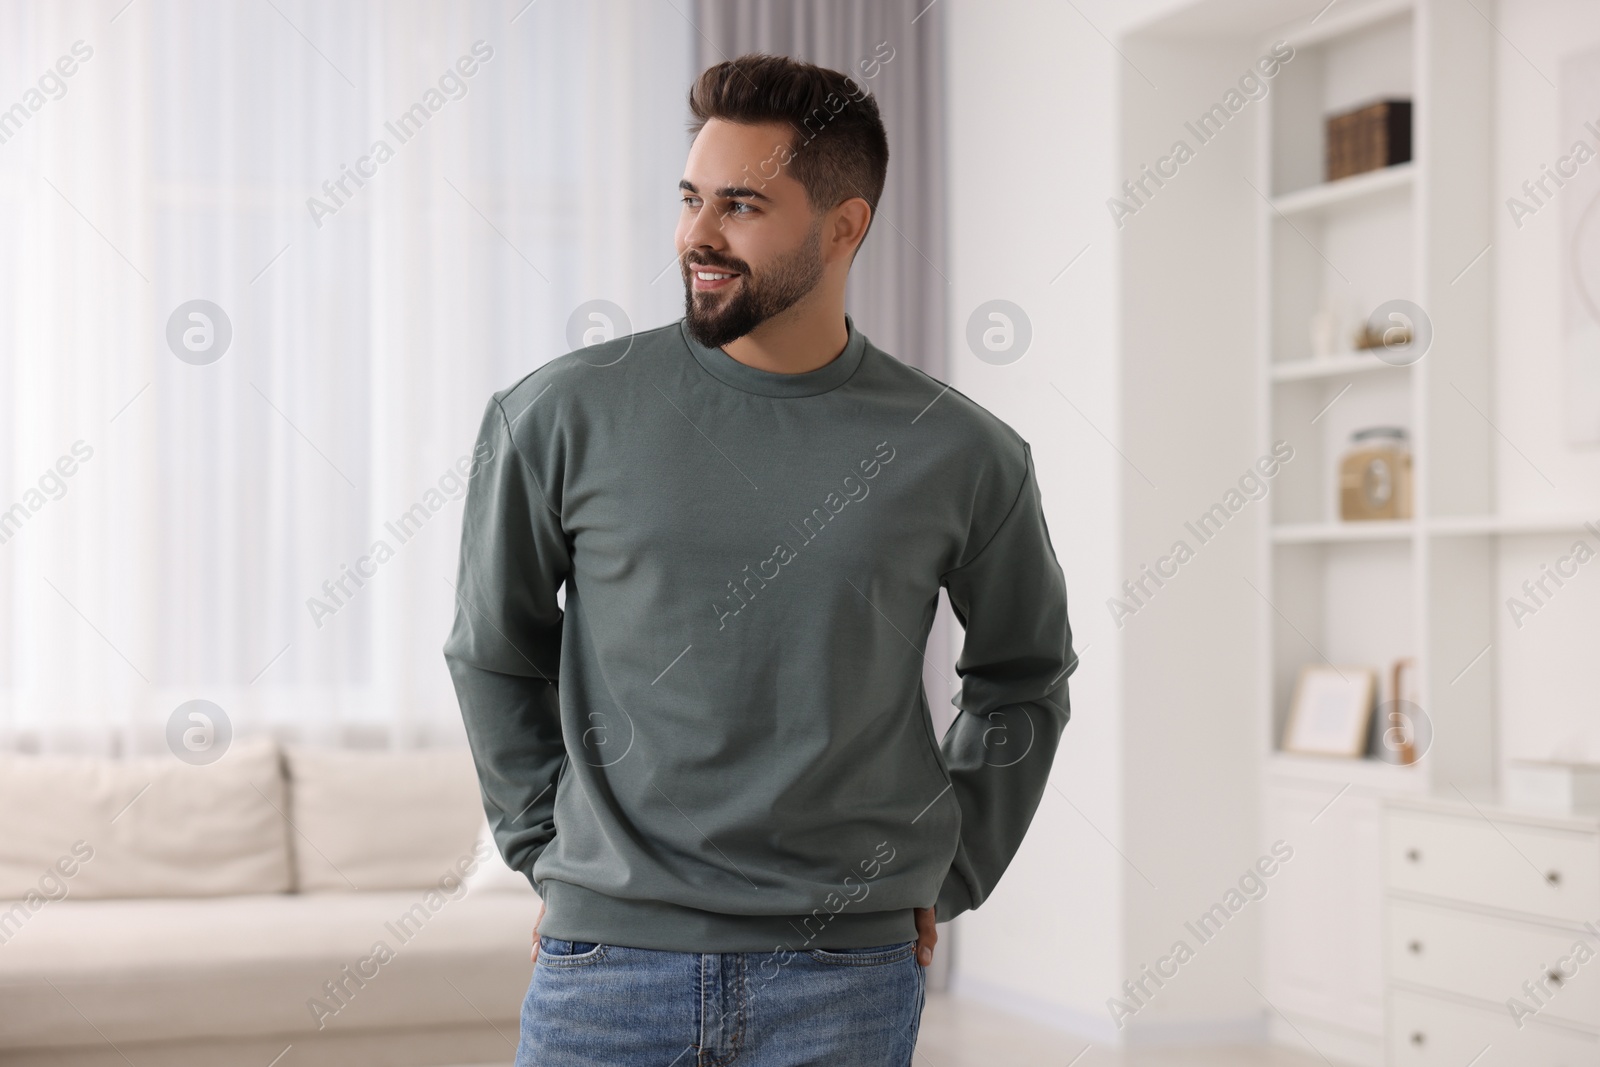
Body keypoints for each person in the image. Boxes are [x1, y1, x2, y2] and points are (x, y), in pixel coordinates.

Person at [443, 51, 1074, 1067]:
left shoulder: (962, 452)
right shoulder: (556, 416)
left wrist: (949, 865)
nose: (697, 233)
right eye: (691, 197)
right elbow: (495, 649)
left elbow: (1022, 677)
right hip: (606, 966)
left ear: (843, 226)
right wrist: (546, 852)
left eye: (740, 205)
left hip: (843, 978)